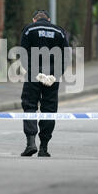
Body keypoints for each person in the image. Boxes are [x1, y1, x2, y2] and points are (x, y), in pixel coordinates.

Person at [20, 10, 69, 157]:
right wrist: (56, 75)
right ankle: (44, 148)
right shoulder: (59, 31)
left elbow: (23, 54)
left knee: (29, 106)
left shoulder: (29, 29)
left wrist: (32, 71)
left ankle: (31, 143)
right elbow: (65, 57)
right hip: (52, 76)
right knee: (49, 110)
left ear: (34, 19)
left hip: (33, 74)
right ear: (48, 19)